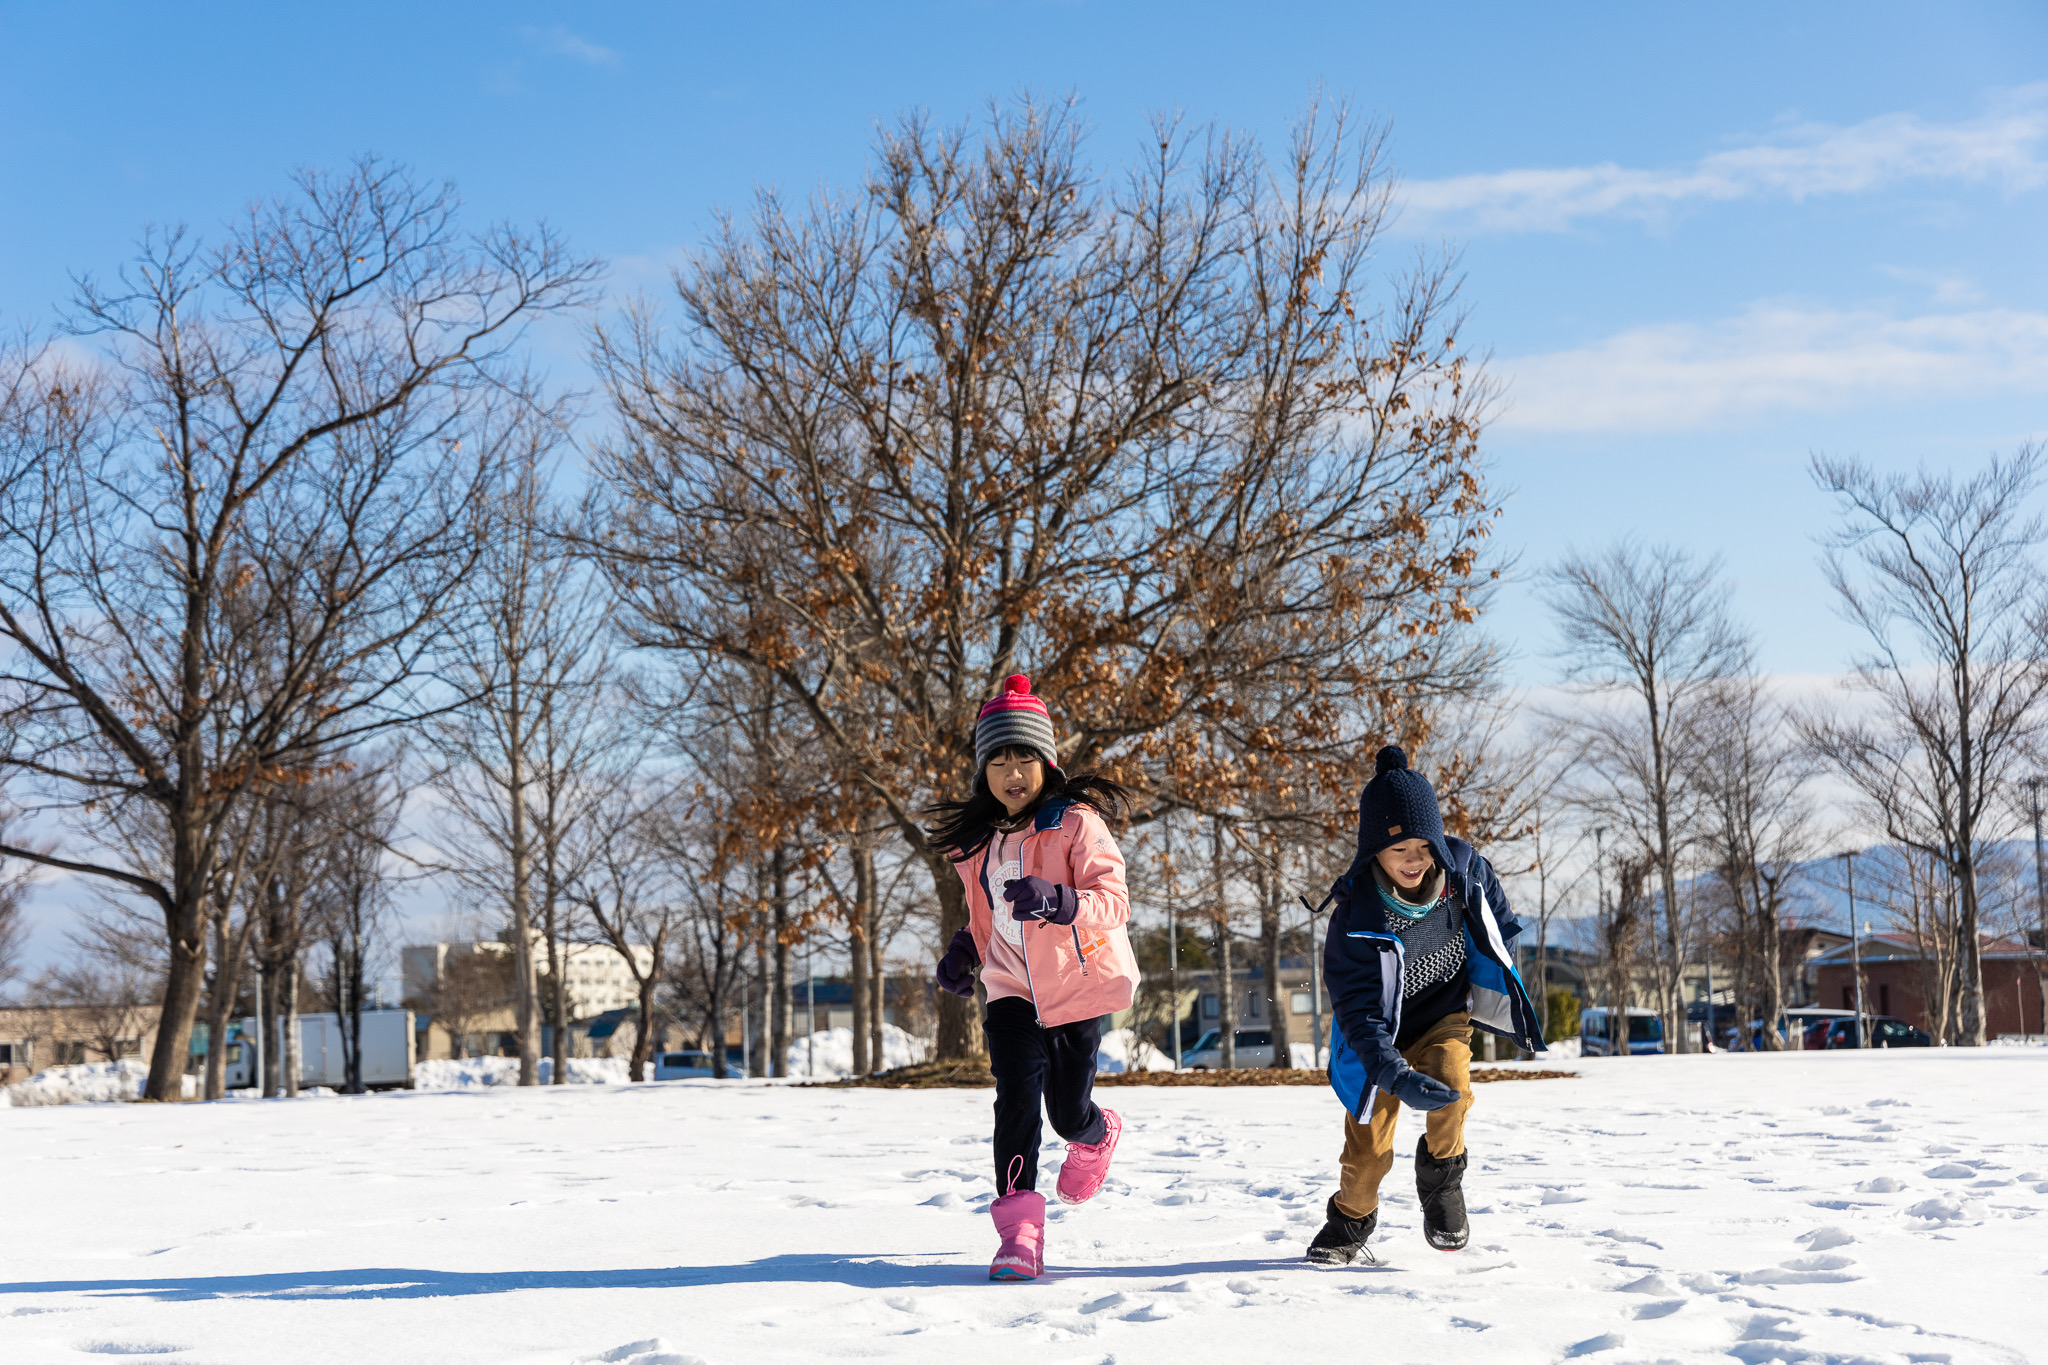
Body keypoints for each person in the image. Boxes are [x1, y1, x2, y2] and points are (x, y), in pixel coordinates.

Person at [928, 674, 1140, 1282]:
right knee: (1014, 1100)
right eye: (998, 759)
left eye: (1024, 756)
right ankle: (1018, 1233)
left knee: (1065, 1112)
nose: (1012, 771)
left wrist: (1059, 901)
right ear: (982, 772)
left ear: (1046, 763)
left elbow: (1114, 903)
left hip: (1075, 988)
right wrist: (965, 948)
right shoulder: (978, 844)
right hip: (1011, 991)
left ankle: (1095, 1136)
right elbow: (985, 915)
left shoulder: (1076, 824)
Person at [1307, 745, 1544, 1264]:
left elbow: (1497, 918)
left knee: (1454, 1092)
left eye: (1422, 845)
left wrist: (1498, 951)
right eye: (1398, 851)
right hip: (1375, 1039)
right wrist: (1395, 1075)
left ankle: (1442, 1185)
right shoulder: (1354, 919)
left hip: (1444, 1016)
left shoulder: (1463, 874)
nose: (1414, 860)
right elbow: (1357, 1012)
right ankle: (1350, 1219)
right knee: (1368, 1150)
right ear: (1374, 854)